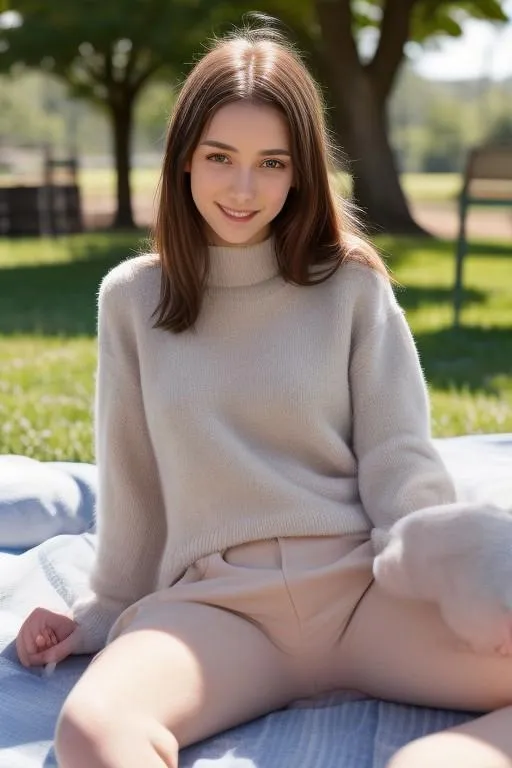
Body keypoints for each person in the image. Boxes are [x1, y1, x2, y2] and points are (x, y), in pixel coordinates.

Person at [14, 18, 512, 768]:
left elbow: (399, 459)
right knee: (90, 732)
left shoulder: (350, 285)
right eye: (220, 157)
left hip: (364, 593)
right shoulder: (134, 299)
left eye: (271, 163)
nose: (244, 189)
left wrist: (456, 576)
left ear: (300, 172)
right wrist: (101, 613)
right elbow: (133, 479)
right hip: (216, 614)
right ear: (184, 160)